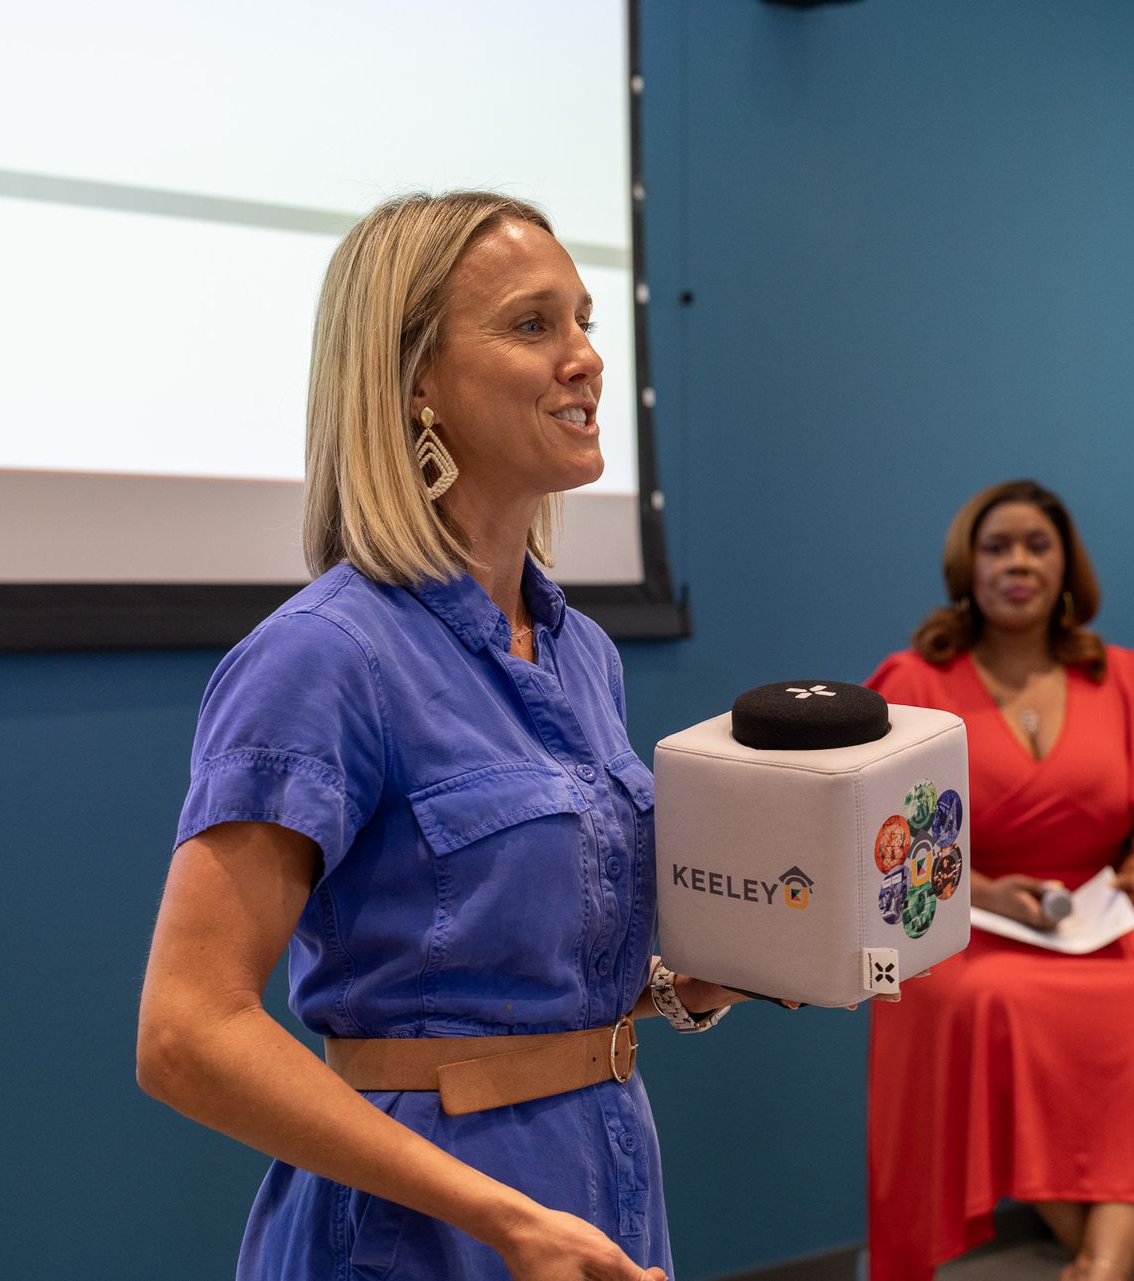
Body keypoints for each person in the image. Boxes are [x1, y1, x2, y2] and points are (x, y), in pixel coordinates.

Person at [136, 191, 744, 1281]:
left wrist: (667, 987)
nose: (586, 358)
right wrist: (504, 1219)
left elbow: (497, 976)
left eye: (585, 320)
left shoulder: (583, 653)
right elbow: (187, 1034)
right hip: (424, 1233)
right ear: (415, 381)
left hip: (601, 1191)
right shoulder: (324, 657)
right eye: (532, 325)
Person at [863, 479, 1134, 1281]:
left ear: (1067, 566)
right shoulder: (915, 683)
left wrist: (1132, 881)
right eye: (998, 547)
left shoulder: (1123, 676)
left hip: (1108, 906)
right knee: (985, 1001)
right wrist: (983, 891)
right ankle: (1104, 1262)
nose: (1019, 563)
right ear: (968, 567)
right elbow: (881, 839)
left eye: (1038, 546)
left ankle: (1099, 1265)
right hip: (962, 913)